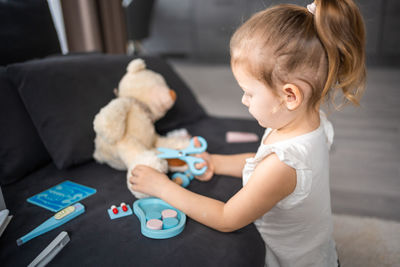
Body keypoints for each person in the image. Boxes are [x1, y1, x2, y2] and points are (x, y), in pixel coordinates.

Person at [129, 0, 366, 266]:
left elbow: (226, 218)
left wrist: (161, 188)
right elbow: (260, 163)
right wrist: (215, 162)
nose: (244, 100)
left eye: (249, 92)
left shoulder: (284, 165)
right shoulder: (310, 123)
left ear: (289, 95)